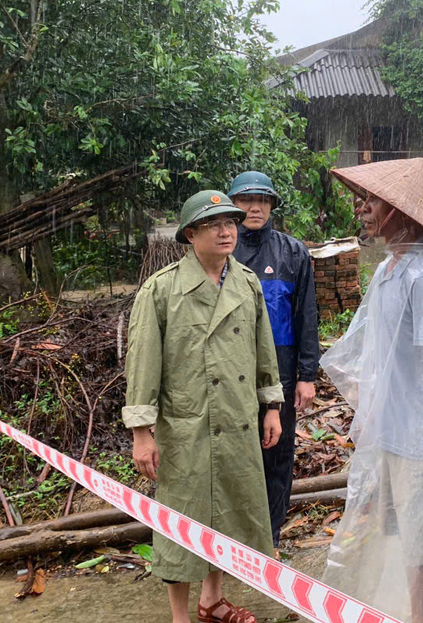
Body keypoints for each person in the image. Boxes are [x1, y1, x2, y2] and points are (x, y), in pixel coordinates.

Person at [319, 157, 423, 623]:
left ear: (397, 210)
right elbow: (374, 349)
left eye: (371, 201)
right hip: (396, 436)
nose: (363, 210)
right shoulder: (392, 269)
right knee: (415, 550)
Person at [124, 190, 285, 623]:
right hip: (186, 426)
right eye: (214, 224)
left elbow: (263, 351)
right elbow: (143, 365)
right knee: (182, 522)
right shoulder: (162, 290)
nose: (226, 230)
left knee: (231, 512)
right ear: (190, 234)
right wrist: (142, 432)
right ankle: (181, 616)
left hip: (236, 420)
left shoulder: (246, 282)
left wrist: (271, 405)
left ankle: (212, 601)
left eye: (230, 222)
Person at [228, 170, 320, 554]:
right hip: (229, 373)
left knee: (276, 457)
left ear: (272, 206)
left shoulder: (292, 253)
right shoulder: (220, 250)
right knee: (233, 456)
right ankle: (232, 536)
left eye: (263, 200)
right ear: (231, 205)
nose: (255, 207)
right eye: (247, 200)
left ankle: (270, 537)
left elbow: (306, 316)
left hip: (279, 375)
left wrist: (307, 375)